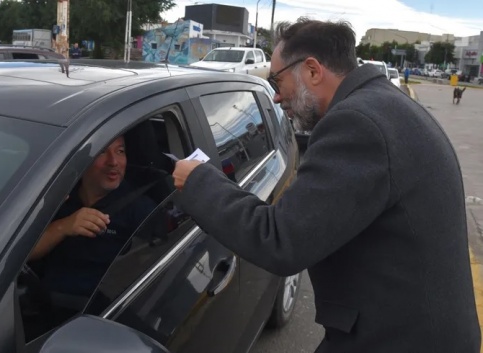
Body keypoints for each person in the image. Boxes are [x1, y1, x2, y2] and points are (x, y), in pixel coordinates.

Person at [172, 18, 480, 352]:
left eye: (278, 80)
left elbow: (281, 239)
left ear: (313, 70)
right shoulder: (384, 103)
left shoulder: (358, 124)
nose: (276, 96)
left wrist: (198, 181)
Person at [30, 136, 156, 298]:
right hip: (42, 305)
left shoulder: (141, 209)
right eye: (102, 151)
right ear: (82, 159)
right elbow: (21, 255)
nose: (113, 162)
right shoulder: (58, 196)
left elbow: (151, 276)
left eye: (120, 151)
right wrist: (63, 227)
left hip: (100, 312)